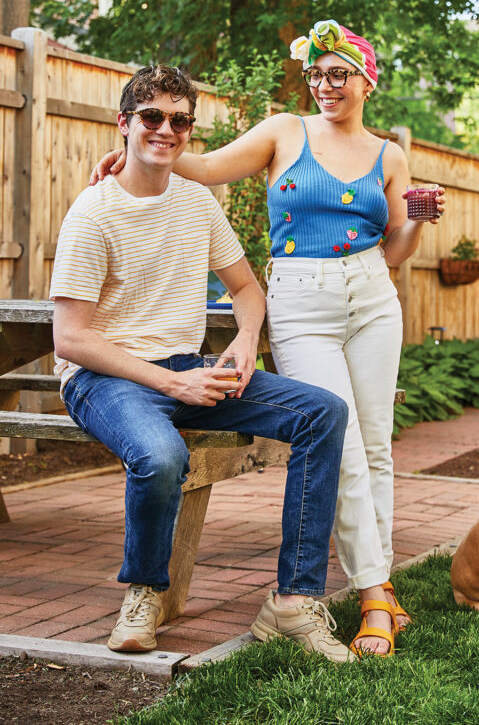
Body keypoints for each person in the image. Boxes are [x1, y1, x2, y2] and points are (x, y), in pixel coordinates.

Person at [91, 21, 445, 655]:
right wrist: (134, 154)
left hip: (372, 293)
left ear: (367, 81)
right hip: (301, 297)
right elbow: (199, 164)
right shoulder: (286, 130)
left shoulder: (390, 154)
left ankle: (379, 587)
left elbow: (395, 251)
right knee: (345, 445)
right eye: (317, 75)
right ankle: (372, 595)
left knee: (377, 445)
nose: (326, 86)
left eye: (339, 75)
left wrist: (418, 220)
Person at [52, 63, 354, 663]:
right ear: (125, 124)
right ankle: (144, 593)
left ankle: (294, 602)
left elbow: (247, 290)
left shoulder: (197, 203)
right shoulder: (93, 214)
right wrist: (173, 382)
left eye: (180, 120)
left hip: (190, 365)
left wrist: (244, 341)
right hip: (105, 378)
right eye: (152, 117)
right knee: (163, 455)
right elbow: (71, 339)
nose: (167, 130)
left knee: (323, 413)